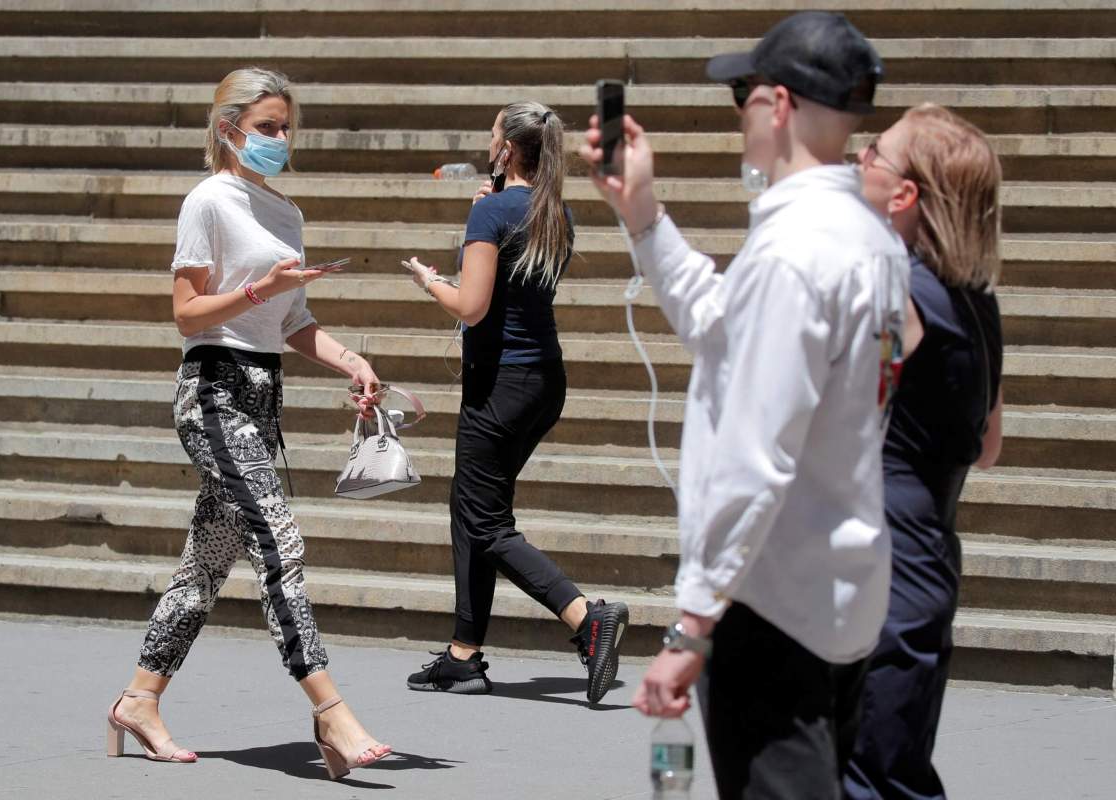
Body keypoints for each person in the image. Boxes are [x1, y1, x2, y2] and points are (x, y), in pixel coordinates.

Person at [580, 12, 909, 798]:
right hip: (836, 589)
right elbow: (722, 323)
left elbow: (756, 456)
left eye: (742, 93)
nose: (739, 115)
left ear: (779, 104)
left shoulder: (799, 252)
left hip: (777, 602)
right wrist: (643, 215)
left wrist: (691, 627)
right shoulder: (865, 239)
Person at [105, 67, 391, 780]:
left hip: (264, 395)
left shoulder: (286, 214)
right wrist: (261, 286)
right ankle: (329, 708)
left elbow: (291, 323)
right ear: (228, 128)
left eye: (286, 127)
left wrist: (351, 360)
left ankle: (139, 699)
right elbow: (186, 313)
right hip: (212, 391)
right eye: (267, 127)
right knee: (278, 540)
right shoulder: (208, 201)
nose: (280, 139)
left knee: (206, 565)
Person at [402, 101, 629, 705]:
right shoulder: (556, 212)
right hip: (542, 381)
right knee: (470, 507)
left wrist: (430, 281)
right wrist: (486, 208)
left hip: (500, 384)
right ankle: (462, 656)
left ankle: (586, 616)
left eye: (493, 136)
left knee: (484, 519)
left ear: (507, 150)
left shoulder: (495, 211)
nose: (487, 143)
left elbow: (471, 306)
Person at [845, 103, 1004, 800]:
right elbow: (989, 445)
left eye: (874, 151)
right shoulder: (975, 301)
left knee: (866, 776)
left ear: (905, 195)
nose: (859, 158)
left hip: (877, 568)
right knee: (890, 773)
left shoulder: (898, 295)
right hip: (928, 559)